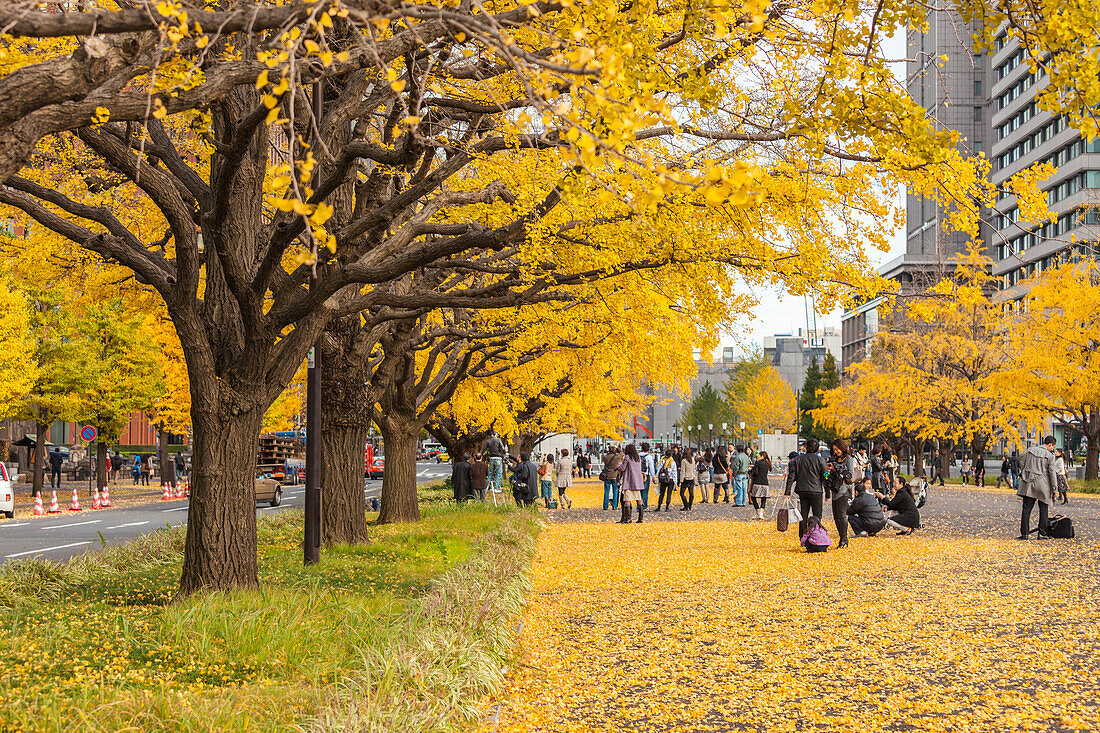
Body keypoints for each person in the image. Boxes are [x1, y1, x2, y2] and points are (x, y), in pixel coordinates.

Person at [784, 437, 827, 536]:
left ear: (806, 447)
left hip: (802, 490)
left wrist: (788, 491)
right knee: (817, 515)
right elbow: (825, 475)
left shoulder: (797, 460)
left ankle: (802, 536)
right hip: (816, 490)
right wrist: (828, 492)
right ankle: (816, 534)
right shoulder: (820, 460)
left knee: (803, 514)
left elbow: (791, 476)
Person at [1018, 436, 1058, 539]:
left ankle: (1024, 533)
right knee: (1043, 509)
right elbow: (1052, 473)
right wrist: (1055, 489)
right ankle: (1042, 533)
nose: (1052, 449)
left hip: (1028, 483)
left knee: (1026, 509)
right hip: (1043, 484)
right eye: (1053, 446)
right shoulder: (1050, 456)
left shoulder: (1029, 450)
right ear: (1050, 445)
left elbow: (1022, 464)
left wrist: (1024, 474)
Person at [825, 438, 856, 549]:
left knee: (842, 515)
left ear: (842, 448)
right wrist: (827, 472)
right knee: (836, 516)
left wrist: (836, 469)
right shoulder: (834, 460)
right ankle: (842, 538)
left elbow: (850, 475)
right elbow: (828, 476)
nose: (837, 452)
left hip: (844, 491)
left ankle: (844, 539)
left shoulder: (849, 459)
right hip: (835, 490)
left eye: (838, 449)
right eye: (834, 450)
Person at [618, 444, 644, 523]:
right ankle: (640, 518)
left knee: (627, 500)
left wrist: (619, 466)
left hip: (629, 481)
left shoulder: (627, 457)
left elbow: (623, 468)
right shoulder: (638, 458)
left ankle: (628, 518)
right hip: (637, 482)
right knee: (639, 499)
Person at [748, 450, 771, 520]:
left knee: (753, 497)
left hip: (757, 482)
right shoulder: (767, 463)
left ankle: (758, 512)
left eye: (759, 455)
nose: (758, 456)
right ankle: (761, 514)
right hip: (765, 483)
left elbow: (756, 473)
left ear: (762, 456)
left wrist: (751, 470)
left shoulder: (757, 463)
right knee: (763, 498)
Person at [601, 446, 622, 510]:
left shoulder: (605, 457)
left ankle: (605, 506)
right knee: (615, 491)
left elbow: (603, 460)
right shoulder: (617, 457)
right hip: (615, 476)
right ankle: (614, 505)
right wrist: (618, 448)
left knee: (606, 491)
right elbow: (622, 453)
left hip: (607, 475)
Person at [639, 442, 657, 508]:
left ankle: (639, 505)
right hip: (646, 475)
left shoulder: (638, 455)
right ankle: (644, 506)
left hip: (639, 475)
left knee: (639, 491)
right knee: (645, 491)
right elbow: (651, 467)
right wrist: (653, 476)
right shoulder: (649, 457)